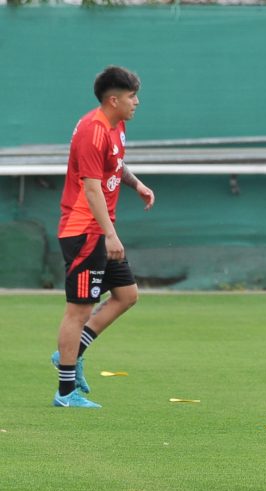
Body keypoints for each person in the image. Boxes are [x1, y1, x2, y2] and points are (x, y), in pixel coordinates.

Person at [51, 65, 155, 408]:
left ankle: (70, 353)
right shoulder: (92, 131)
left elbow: (115, 164)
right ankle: (65, 393)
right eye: (131, 97)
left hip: (100, 230)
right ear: (114, 100)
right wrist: (110, 235)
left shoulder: (116, 126)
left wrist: (136, 183)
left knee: (126, 295)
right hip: (85, 231)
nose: (136, 102)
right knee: (78, 309)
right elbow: (92, 188)